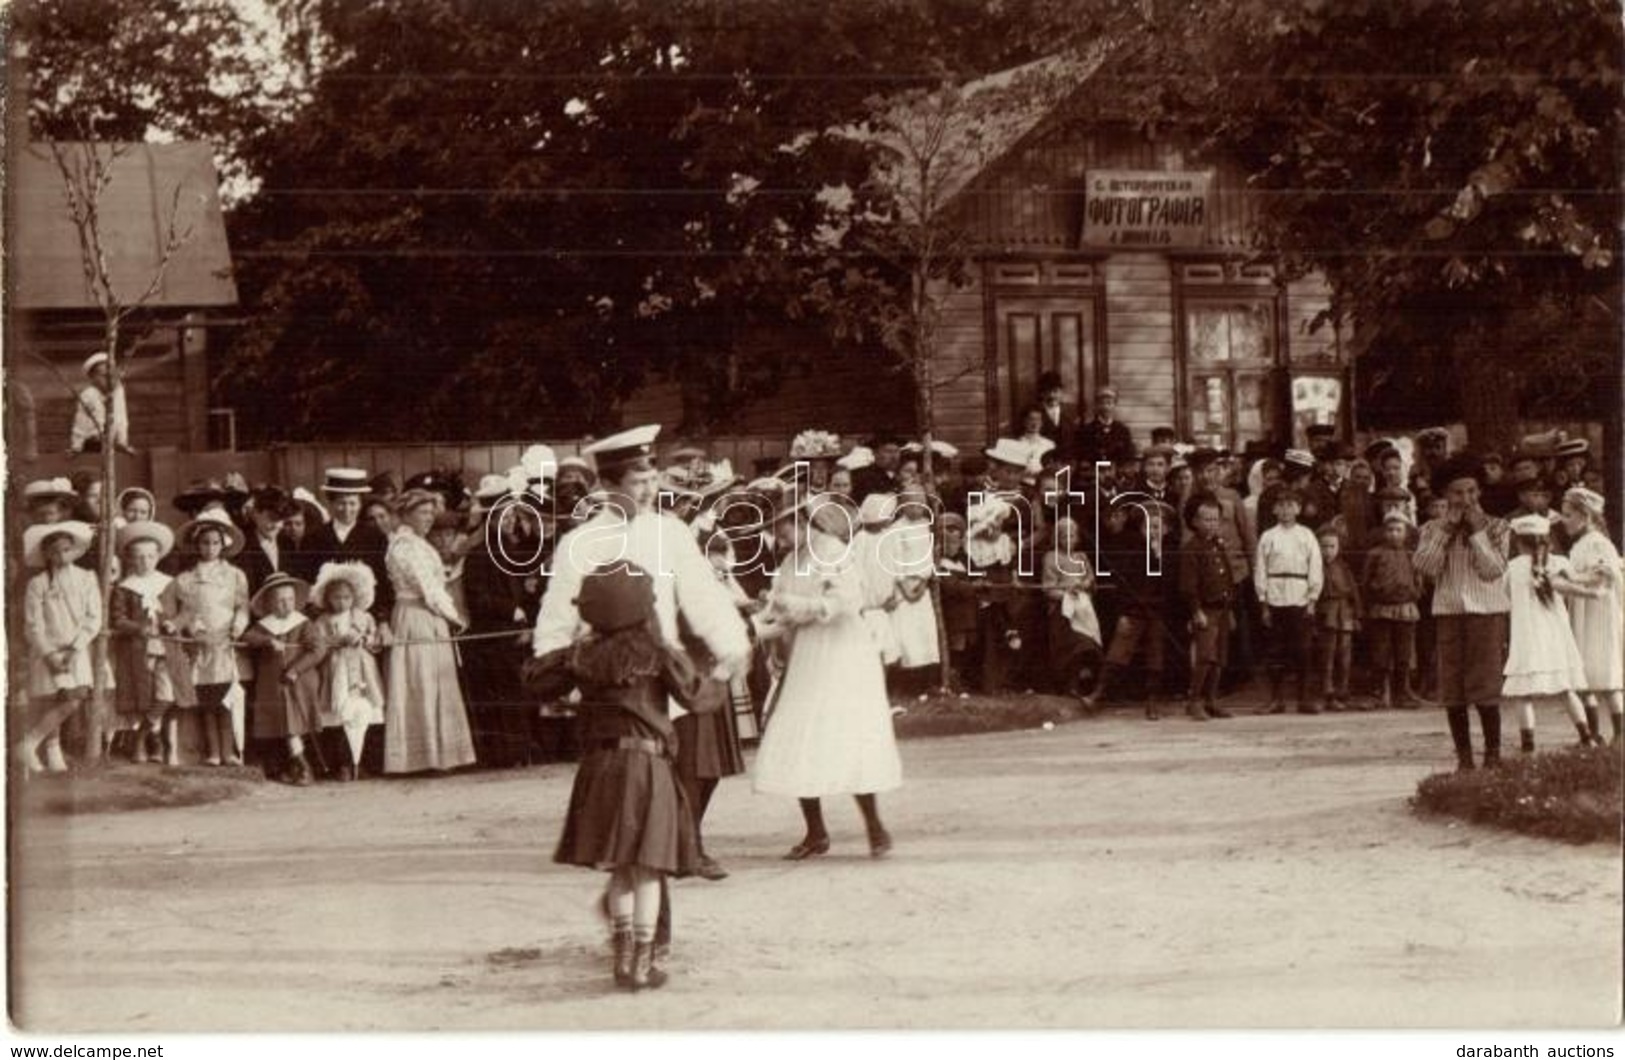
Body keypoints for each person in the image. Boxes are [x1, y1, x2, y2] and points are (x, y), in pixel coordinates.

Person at [531, 560, 704, 992]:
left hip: (599, 768)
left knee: (621, 868)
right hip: (647, 767)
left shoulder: (583, 654)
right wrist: (719, 672)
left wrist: (572, 652)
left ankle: (622, 958)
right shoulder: (658, 654)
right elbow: (697, 696)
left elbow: (534, 682)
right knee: (646, 868)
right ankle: (644, 963)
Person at [752, 493, 902, 860]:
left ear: (801, 522)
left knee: (846, 733)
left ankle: (874, 825)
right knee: (799, 732)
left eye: (780, 527)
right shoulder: (790, 560)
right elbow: (780, 606)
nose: (777, 536)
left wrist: (801, 607)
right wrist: (766, 622)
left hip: (843, 655)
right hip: (807, 653)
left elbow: (847, 601)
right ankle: (816, 832)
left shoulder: (833, 550)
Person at [1412, 454, 1511, 772]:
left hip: (1486, 613)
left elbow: (1493, 570)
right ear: (1445, 496)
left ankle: (1493, 755)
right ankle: (1464, 758)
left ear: (1479, 491)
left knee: (1485, 685)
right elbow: (1426, 567)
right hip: (1450, 613)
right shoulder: (1431, 529)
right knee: (1453, 688)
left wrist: (1477, 533)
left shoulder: (1497, 527)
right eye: (1457, 493)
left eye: (1471, 491)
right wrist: (1446, 530)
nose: (1465, 499)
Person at [384, 489, 477, 774]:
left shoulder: (418, 544)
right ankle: (422, 756)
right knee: (421, 681)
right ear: (406, 515)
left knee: (435, 680)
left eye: (430, 513)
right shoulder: (405, 546)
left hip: (429, 617)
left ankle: (442, 753)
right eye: (422, 513)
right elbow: (429, 589)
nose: (429, 518)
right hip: (417, 616)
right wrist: (455, 617)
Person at [1501, 514, 1599, 752]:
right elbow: (1578, 582)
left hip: (1527, 638)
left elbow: (1506, 596)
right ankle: (1587, 737)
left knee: (1523, 694)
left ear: (1519, 543)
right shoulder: (1560, 564)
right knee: (1566, 689)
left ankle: (1528, 746)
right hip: (1555, 638)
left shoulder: (1513, 568)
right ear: (1547, 540)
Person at [15, 521, 101, 775]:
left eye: (66, 550)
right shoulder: (38, 583)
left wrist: (76, 648)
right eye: (55, 551)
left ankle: (29, 742)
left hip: (76, 649)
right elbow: (33, 625)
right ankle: (51, 751)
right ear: (46, 554)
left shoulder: (87, 578)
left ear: (74, 551)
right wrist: (49, 653)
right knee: (56, 698)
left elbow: (93, 617)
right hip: (48, 652)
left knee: (74, 698)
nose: (61, 556)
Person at [109, 521, 194, 765]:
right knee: (145, 696)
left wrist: (175, 623)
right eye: (139, 557)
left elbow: (188, 610)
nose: (145, 561)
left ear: (158, 556)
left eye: (150, 556)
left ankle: (141, 738)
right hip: (138, 650)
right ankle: (151, 743)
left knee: (166, 696)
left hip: (167, 647)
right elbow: (118, 619)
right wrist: (138, 628)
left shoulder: (169, 583)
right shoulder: (124, 588)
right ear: (131, 559)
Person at [172, 509, 251, 766]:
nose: (210, 548)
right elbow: (186, 612)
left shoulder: (235, 575)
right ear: (197, 545)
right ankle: (213, 751)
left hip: (227, 642)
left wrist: (236, 628)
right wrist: (197, 631)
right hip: (203, 645)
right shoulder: (186, 579)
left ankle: (229, 751)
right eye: (205, 543)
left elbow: (242, 607)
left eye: (215, 542)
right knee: (207, 700)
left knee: (227, 699)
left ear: (223, 544)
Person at [242, 572, 329, 785]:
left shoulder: (303, 623)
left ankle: (304, 768)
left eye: (290, 599)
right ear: (270, 602)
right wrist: (267, 641)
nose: (286, 605)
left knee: (294, 726)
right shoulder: (265, 625)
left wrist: (296, 669)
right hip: (273, 684)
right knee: (283, 726)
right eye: (280, 600)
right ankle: (295, 767)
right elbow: (248, 637)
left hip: (297, 681)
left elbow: (318, 649)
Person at [309, 562, 388, 780]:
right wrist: (335, 641)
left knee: (365, 713)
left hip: (362, 671)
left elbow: (375, 643)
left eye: (346, 597)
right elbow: (318, 645)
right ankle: (343, 764)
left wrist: (364, 639)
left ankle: (361, 762)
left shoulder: (364, 617)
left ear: (354, 598)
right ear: (327, 599)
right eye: (336, 597)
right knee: (340, 716)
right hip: (337, 672)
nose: (342, 602)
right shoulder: (323, 621)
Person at [1557, 488, 1623, 746]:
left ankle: (1621, 733)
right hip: (1583, 611)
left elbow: (1603, 576)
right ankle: (1593, 733)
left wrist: (1571, 579)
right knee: (1583, 673)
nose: (1564, 520)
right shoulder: (1579, 545)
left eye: (1569, 515)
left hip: (1599, 613)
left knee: (1606, 673)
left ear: (1585, 515)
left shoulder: (1598, 542)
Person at [1255, 488, 1323, 715]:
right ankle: (1277, 699)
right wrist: (1263, 602)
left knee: (1303, 650)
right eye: (1281, 506)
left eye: (1290, 505)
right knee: (1275, 651)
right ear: (1274, 509)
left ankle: (1304, 699)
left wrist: (1312, 599)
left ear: (1298, 509)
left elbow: (1315, 567)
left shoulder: (1306, 535)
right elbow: (1261, 569)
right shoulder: (1268, 536)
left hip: (1300, 597)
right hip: (1275, 597)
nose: (1285, 510)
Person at [303, 468, 393, 621]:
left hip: (366, 618)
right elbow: (307, 579)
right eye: (341, 503)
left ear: (360, 504)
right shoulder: (314, 537)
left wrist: (382, 620)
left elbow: (383, 582)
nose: (347, 510)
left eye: (352, 503)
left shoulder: (374, 537)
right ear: (331, 503)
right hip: (326, 618)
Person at [1362, 510, 1428, 711]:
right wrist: (1375, 594)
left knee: (1404, 653)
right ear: (1384, 532)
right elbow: (1366, 581)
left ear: (1406, 533)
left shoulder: (1411, 555)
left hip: (1405, 609)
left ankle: (1403, 691)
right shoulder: (1375, 554)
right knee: (1380, 652)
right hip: (1381, 609)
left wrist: (1413, 593)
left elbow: (1419, 581)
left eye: (1398, 530)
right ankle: (1380, 692)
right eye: (1390, 530)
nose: (1393, 534)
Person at [1178, 493, 1236, 720]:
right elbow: (1188, 587)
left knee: (1220, 657)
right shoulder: (1191, 549)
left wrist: (1229, 608)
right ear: (1194, 522)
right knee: (1205, 656)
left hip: (1222, 609)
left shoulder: (1217, 545)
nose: (1212, 524)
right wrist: (1196, 611)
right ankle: (1194, 701)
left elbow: (1227, 577)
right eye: (1206, 519)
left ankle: (1211, 700)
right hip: (1206, 611)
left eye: (1215, 519)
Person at [1042, 515, 1101, 702]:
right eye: (1064, 536)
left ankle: (1082, 681)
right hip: (1063, 610)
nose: (1069, 540)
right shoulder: (1051, 557)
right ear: (1057, 538)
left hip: (1083, 609)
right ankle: (1068, 685)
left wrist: (1085, 584)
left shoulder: (1081, 557)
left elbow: (1091, 580)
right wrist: (1067, 594)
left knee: (1088, 642)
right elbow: (1048, 588)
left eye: (1072, 536)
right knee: (1070, 644)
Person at [1314, 528, 1363, 712]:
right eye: (1324, 546)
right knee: (1328, 654)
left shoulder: (1344, 567)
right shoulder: (1316, 567)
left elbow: (1354, 591)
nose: (1328, 550)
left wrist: (1357, 614)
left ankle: (1343, 692)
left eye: (1332, 546)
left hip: (1345, 613)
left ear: (1339, 547)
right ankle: (1327, 693)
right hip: (1327, 612)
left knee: (1345, 655)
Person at [69, 351, 134, 455]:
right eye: (103, 376)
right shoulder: (88, 395)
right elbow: (80, 422)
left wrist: (123, 441)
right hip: (93, 442)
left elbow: (122, 417)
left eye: (112, 375)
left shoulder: (118, 391)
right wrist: (76, 446)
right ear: (92, 378)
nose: (109, 379)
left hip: (113, 442)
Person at [1076, 386, 1135, 469]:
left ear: (1115, 405)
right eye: (1102, 403)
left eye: (1109, 403)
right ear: (1097, 406)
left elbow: (1128, 458)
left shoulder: (1123, 431)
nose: (1106, 407)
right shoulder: (1086, 431)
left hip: (1117, 476)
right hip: (1092, 476)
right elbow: (1082, 457)